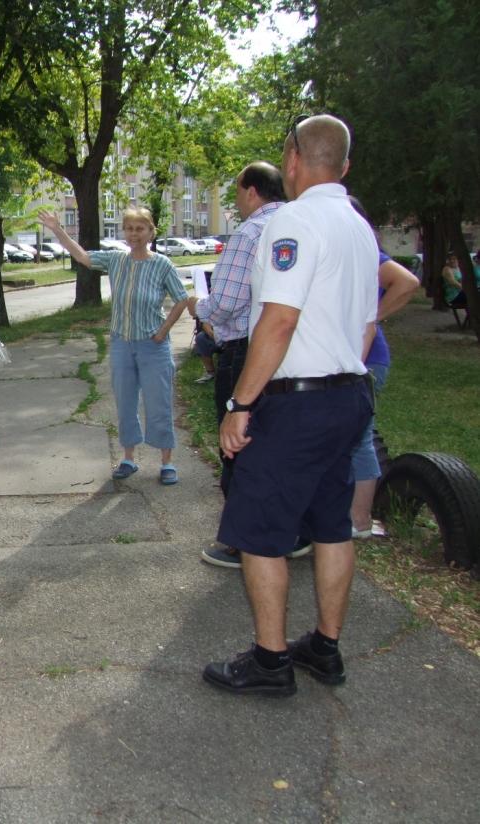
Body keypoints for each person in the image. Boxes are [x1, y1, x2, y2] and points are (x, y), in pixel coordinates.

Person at [202, 114, 378, 697]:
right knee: (331, 525)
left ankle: (270, 662)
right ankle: (324, 648)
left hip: (298, 406)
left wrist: (240, 402)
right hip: (348, 396)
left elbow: (278, 321)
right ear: (344, 166)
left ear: (293, 159)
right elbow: (368, 323)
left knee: (258, 532)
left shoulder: (295, 221)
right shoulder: (359, 227)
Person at [39, 207, 189, 485]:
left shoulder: (162, 264)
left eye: (140, 228)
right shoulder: (116, 260)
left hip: (153, 345)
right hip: (122, 344)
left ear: (151, 232)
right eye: (129, 228)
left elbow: (182, 298)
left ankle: (166, 462)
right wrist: (58, 230)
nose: (134, 234)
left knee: (159, 403)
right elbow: (83, 257)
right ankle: (128, 458)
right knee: (125, 402)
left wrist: (164, 329)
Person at [187, 162, 286, 567]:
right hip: (292, 356)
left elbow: (225, 302)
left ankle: (242, 542)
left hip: (246, 351)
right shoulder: (297, 223)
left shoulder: (248, 233)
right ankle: (288, 532)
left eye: (237, 191)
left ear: (251, 191)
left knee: (237, 444)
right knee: (279, 445)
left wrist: (199, 306)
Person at [346, 196, 420, 537]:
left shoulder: (366, 254)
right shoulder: (341, 255)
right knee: (349, 435)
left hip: (367, 359)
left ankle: (360, 520)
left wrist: (371, 317)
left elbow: (407, 282)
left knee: (360, 435)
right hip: (350, 357)